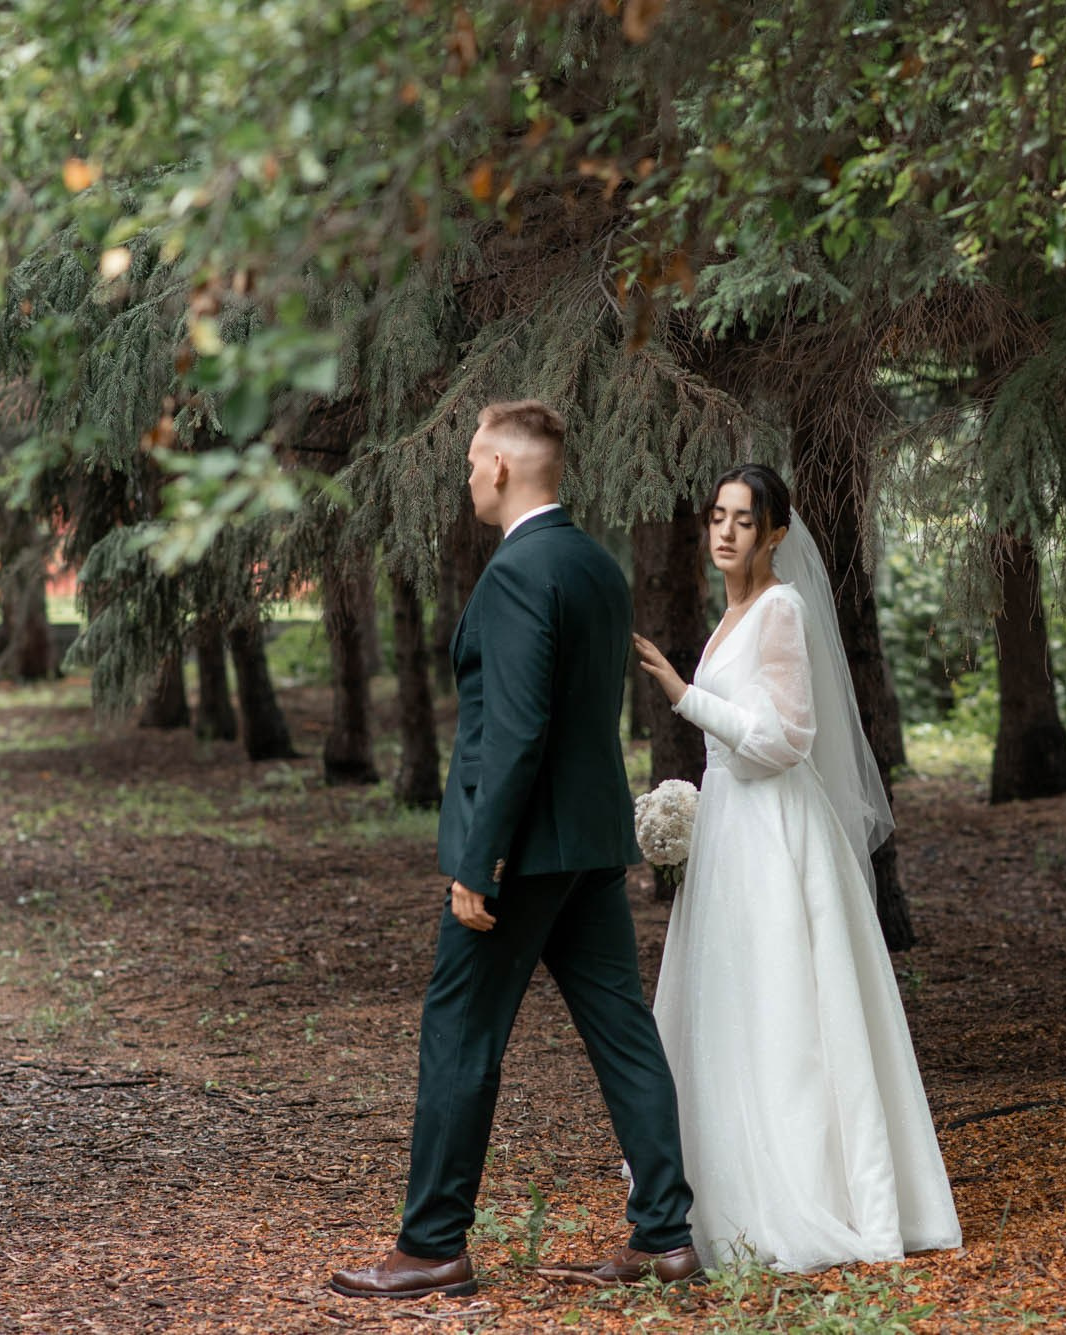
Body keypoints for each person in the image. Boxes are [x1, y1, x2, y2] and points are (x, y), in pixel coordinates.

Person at [331, 400, 698, 1300]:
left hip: (521, 855)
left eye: (469, 463)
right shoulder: (596, 567)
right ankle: (665, 1234)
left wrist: (479, 859)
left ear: (499, 467)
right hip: (589, 845)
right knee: (623, 1033)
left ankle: (431, 1245)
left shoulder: (515, 574)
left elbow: (519, 729)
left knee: (459, 1034)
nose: (466, 479)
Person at [631, 463, 961, 1272]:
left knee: (787, 1008)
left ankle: (809, 1200)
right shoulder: (731, 615)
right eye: (717, 516)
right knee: (733, 1008)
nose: (725, 532)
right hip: (732, 831)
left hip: (776, 831)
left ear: (776, 533)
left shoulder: (781, 607)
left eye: (745, 520)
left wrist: (684, 695)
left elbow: (787, 741)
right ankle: (728, 1195)